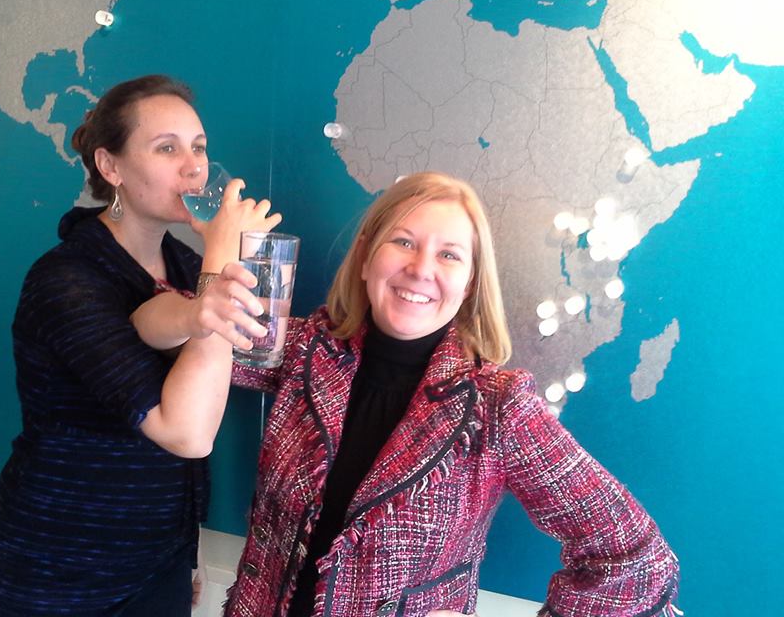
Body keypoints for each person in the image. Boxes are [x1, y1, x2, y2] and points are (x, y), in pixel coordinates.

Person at [134, 171, 681, 617]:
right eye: (404, 242)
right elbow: (153, 316)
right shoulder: (300, 351)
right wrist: (207, 283)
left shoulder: (497, 405)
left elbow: (635, 560)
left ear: (469, 282)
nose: (420, 269)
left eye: (449, 255)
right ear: (369, 256)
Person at [0, 75, 280, 616]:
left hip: (153, 566)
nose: (195, 167)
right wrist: (223, 255)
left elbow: (190, 378)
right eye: (167, 148)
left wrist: (185, 555)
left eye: (199, 147)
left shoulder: (184, 266)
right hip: (54, 575)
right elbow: (183, 433)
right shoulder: (66, 280)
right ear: (110, 166)